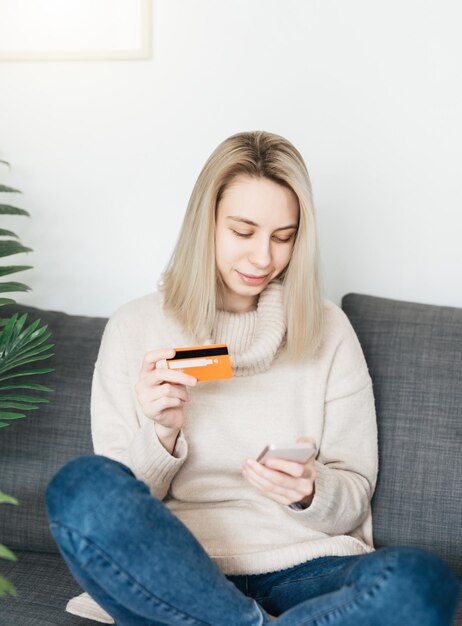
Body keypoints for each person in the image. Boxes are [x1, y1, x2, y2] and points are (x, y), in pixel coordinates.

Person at [45, 130, 459, 626]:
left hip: (306, 568)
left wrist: (310, 490)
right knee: (79, 486)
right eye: (243, 232)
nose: (264, 258)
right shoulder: (135, 326)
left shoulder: (328, 330)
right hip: (177, 573)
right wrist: (161, 434)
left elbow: (352, 498)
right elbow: (120, 504)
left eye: (283, 237)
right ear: (206, 224)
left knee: (420, 581)